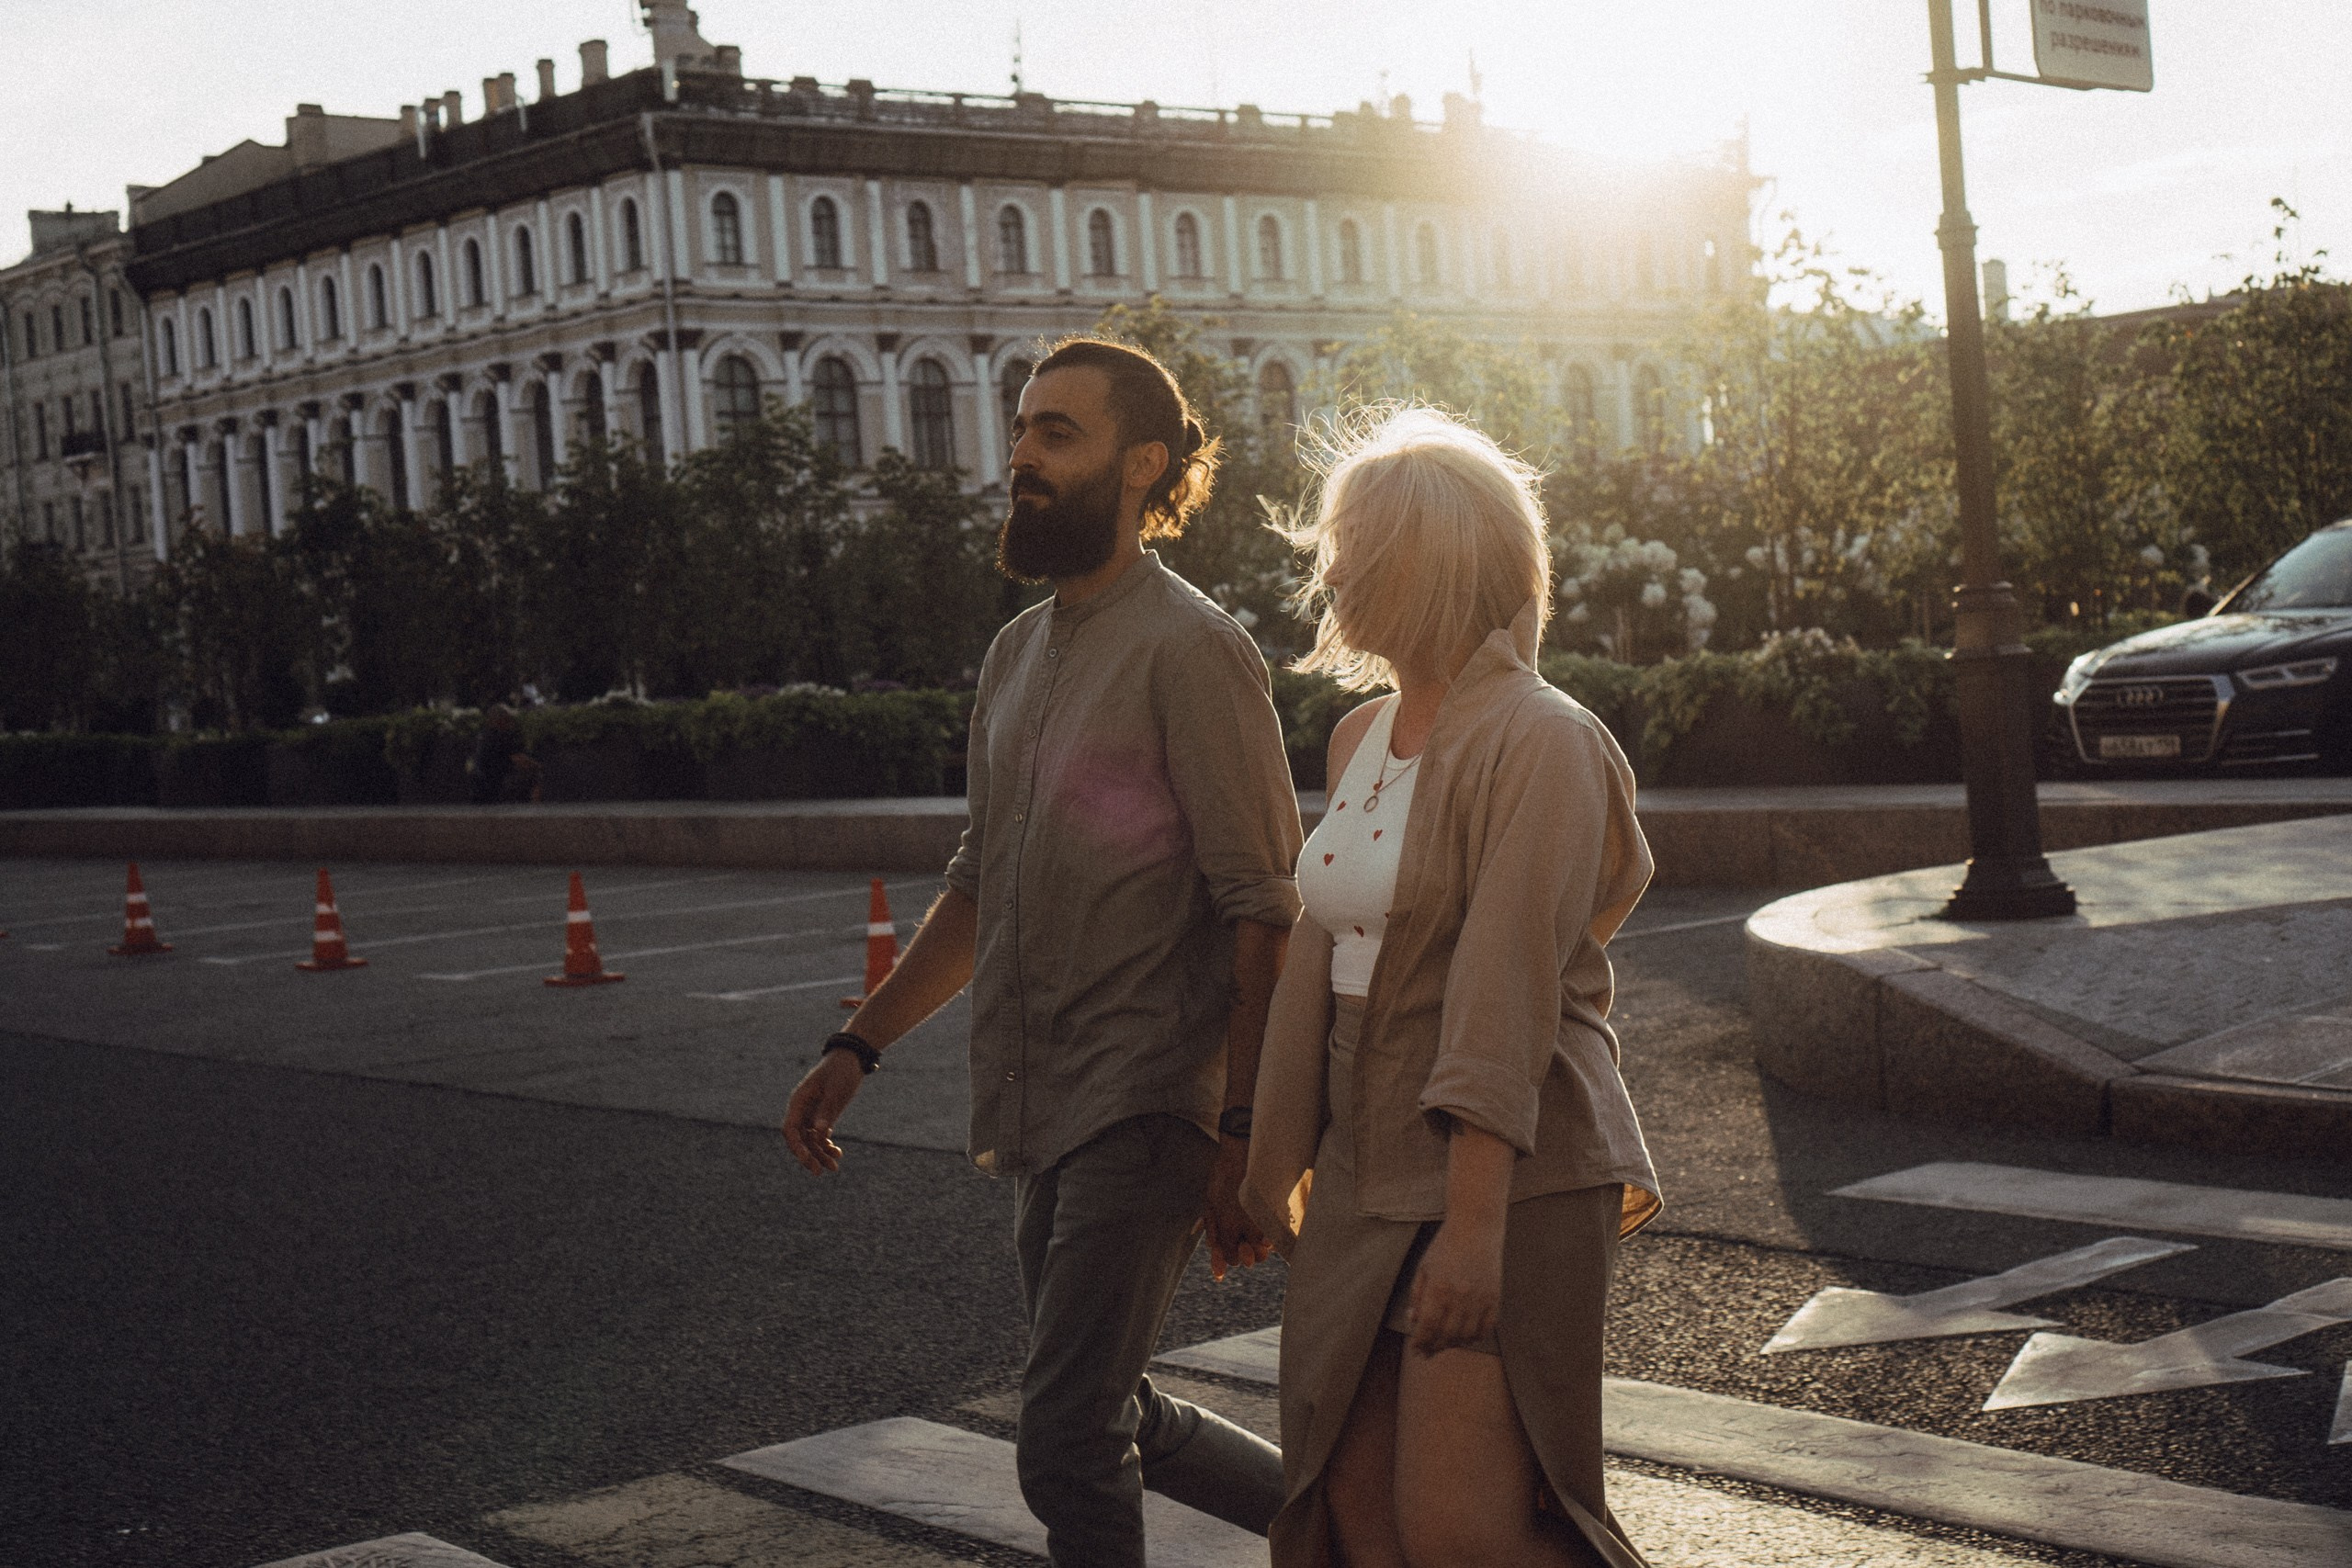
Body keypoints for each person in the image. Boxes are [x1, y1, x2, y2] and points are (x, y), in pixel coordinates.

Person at [781, 337, 1304, 1566]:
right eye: (1021, 429)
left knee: (1065, 1434)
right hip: (1039, 1095)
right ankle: (1355, 1522)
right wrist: (857, 1044)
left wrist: (1243, 1136)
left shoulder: (1193, 647)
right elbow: (979, 884)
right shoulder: (1018, 654)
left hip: (1148, 1100)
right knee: (1107, 1410)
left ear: (1143, 465)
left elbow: (1263, 906)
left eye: (1054, 434)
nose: (1018, 455)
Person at [1244, 407, 1662, 1568]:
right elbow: (1320, 957)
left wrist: (1473, 1232)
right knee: (1354, 1521)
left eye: (1359, 544)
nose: (1333, 571)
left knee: (1462, 1534)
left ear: (1434, 562)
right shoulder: (1356, 737)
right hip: (1369, 1163)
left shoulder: (1543, 738)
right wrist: (1262, 1168)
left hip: (1508, 1168)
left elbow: (1510, 989)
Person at [466, 705, 541, 804]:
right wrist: (539, 766)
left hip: (478, 782)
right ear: (501, 720)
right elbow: (519, 760)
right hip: (497, 781)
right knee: (533, 774)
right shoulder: (501, 736)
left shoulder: (482, 735)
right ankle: (533, 806)